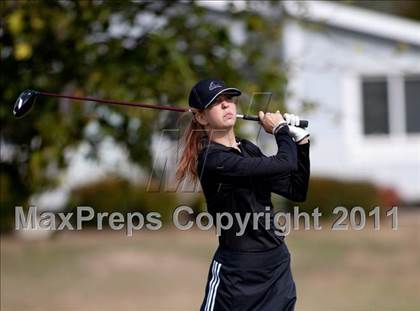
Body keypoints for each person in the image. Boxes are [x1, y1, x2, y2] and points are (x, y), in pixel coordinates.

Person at [176, 78, 310, 311]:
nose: (227, 105)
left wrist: (301, 142)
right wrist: (280, 131)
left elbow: (295, 190)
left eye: (228, 99)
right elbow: (285, 162)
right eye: (216, 103)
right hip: (237, 272)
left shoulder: (248, 148)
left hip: (275, 265)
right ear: (200, 117)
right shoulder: (212, 159)